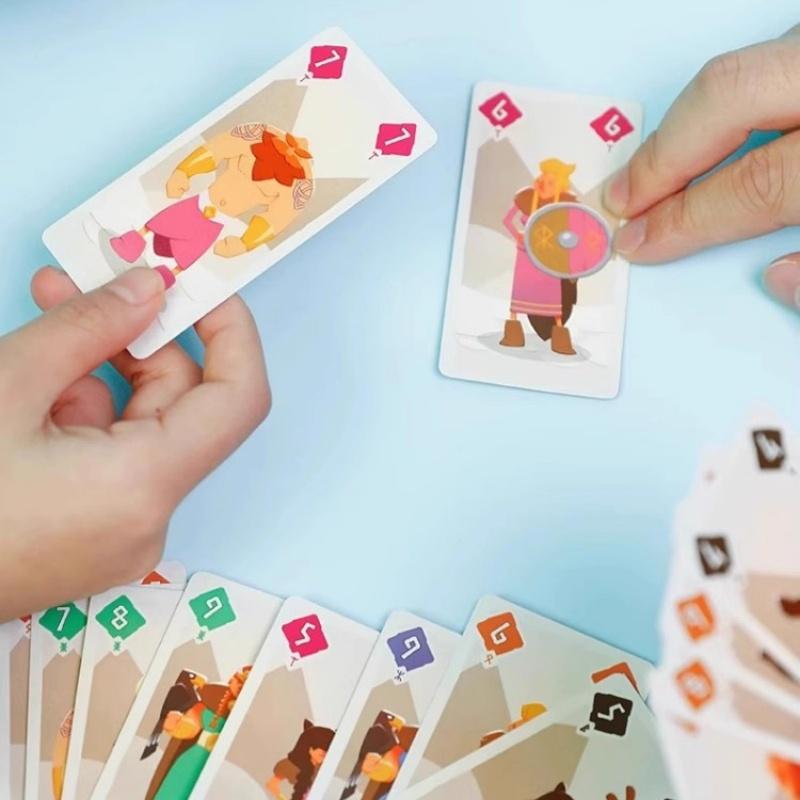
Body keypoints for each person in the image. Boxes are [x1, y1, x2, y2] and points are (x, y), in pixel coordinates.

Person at [1, 27, 799, 621]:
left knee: (546, 305)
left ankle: (542, 332)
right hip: (171, 234)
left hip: (553, 268)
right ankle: (529, 330)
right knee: (532, 301)